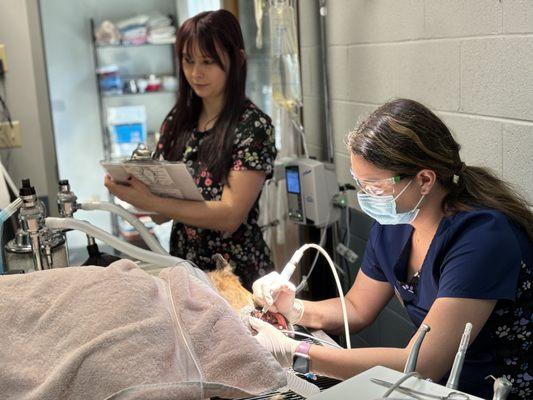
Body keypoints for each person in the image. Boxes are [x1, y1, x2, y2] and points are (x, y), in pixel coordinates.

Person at [250, 99, 532, 399]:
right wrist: (294, 309)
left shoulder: (482, 237)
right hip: (443, 386)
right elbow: (357, 308)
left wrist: (296, 353)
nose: (365, 197)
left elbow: (423, 362)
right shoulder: (393, 226)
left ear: (424, 180)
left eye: (374, 187)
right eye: (360, 184)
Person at [105, 10, 277, 290]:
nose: (196, 73)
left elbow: (231, 215)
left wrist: (151, 202)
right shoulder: (178, 121)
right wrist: (134, 191)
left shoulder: (253, 125)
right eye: (188, 60)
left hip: (237, 275)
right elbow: (161, 215)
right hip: (186, 270)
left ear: (237, 60)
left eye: (208, 62)